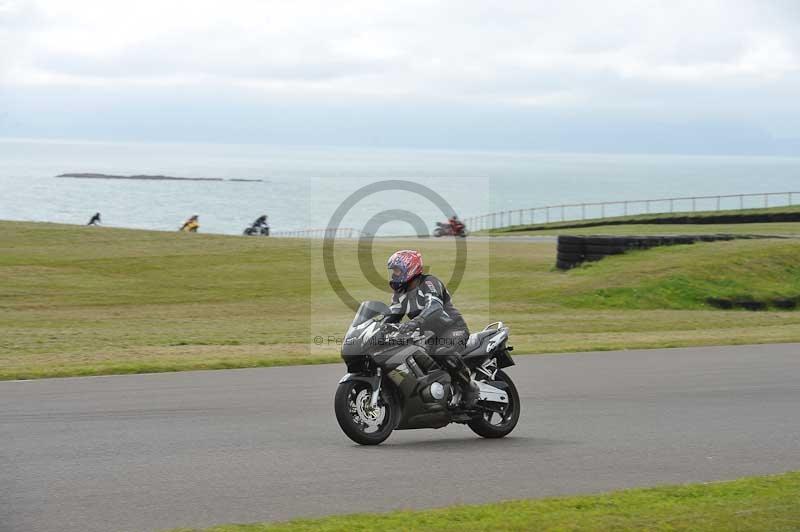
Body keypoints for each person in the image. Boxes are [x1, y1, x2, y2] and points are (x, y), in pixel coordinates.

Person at [383, 249, 479, 407]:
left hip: (453, 329)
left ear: (410, 268)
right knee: (411, 355)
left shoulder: (429, 282)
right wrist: (377, 328)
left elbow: (434, 307)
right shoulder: (399, 294)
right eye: (393, 271)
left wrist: (416, 322)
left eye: (398, 270)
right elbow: (391, 316)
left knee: (441, 352)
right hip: (429, 336)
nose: (394, 274)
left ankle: (469, 388)